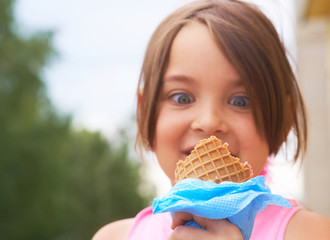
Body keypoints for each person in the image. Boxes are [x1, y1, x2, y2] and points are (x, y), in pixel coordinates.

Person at [93, 0, 330, 239]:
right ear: (146, 114)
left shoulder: (308, 232)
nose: (208, 122)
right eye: (182, 98)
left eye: (241, 101)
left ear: (283, 119)